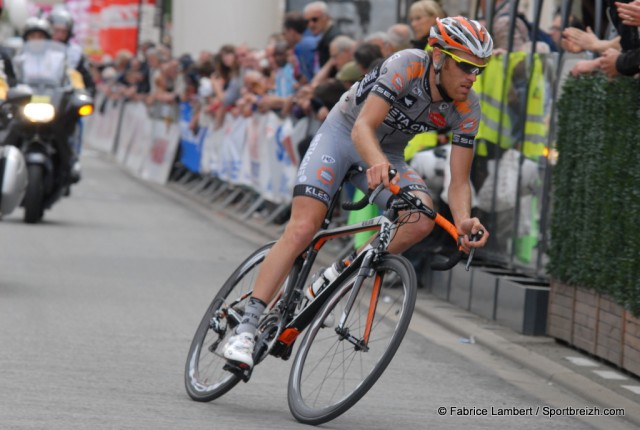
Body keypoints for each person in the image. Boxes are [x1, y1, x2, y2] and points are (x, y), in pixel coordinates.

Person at [222, 16, 492, 368]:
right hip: (343, 136)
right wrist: (376, 162)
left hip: (388, 155)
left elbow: (459, 182)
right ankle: (247, 326)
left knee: (421, 219)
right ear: (438, 56)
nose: (472, 78)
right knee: (304, 228)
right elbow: (363, 126)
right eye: (466, 66)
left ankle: (338, 273)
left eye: (479, 70)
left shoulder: (468, 109)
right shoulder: (407, 64)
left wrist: (463, 220)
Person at [47, 6, 95, 95]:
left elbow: (87, 81)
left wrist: (87, 94)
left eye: (63, 32)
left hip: (65, 97)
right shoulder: (39, 49)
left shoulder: (75, 53)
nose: (59, 35)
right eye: (56, 31)